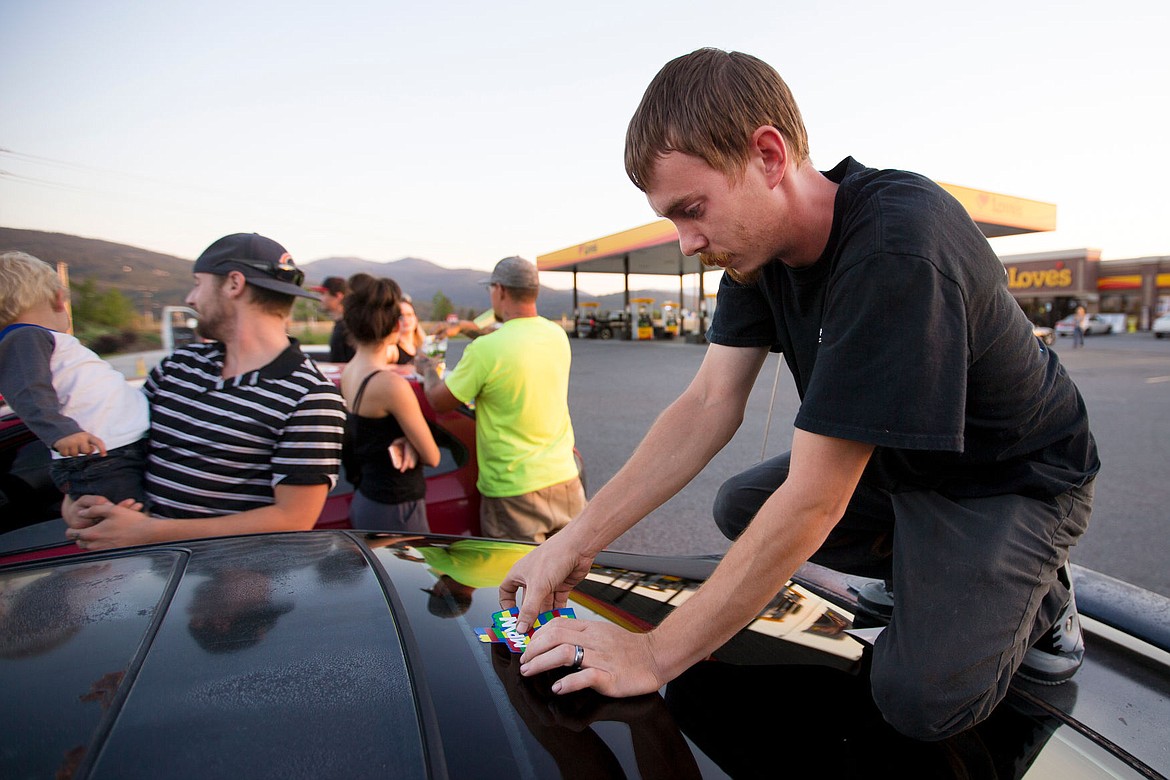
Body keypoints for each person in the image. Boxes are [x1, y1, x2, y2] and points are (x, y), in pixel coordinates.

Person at [501, 48, 1099, 742]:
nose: (687, 242)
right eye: (672, 220)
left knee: (917, 701)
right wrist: (576, 541)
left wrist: (653, 653)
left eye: (692, 210)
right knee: (741, 504)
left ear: (769, 156)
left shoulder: (897, 244)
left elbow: (817, 499)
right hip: (905, 462)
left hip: (1008, 479)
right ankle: (934, 571)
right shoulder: (758, 256)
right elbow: (706, 405)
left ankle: (1046, 599)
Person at [63, 233, 347, 550]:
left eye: (198, 283)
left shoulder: (309, 395)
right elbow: (120, 443)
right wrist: (76, 501)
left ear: (234, 284)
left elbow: (293, 519)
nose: (191, 298)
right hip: (143, 577)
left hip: (228, 589)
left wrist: (148, 532)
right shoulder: (179, 365)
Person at [416, 256, 585, 543]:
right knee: (570, 576)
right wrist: (465, 327)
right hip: (565, 480)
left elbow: (439, 401)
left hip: (514, 492)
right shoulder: (555, 335)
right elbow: (507, 334)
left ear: (500, 290)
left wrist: (428, 370)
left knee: (521, 583)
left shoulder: (485, 350)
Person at [0, 252, 150, 506]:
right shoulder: (25, 337)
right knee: (124, 525)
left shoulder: (35, 339)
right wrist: (61, 433)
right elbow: (28, 390)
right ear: (58, 299)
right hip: (102, 457)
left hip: (114, 451)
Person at [339, 275, 440, 532]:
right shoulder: (390, 385)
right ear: (396, 327)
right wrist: (414, 444)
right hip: (396, 506)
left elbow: (370, 432)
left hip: (367, 498)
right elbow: (433, 456)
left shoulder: (349, 372)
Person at [312, 276, 356, 362]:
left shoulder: (347, 328)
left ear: (338, 296)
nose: (320, 299)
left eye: (323, 294)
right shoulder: (343, 325)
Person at [387, 295, 426, 365]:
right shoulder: (392, 349)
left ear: (416, 319)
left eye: (409, 315)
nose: (405, 319)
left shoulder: (422, 347)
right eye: (400, 316)